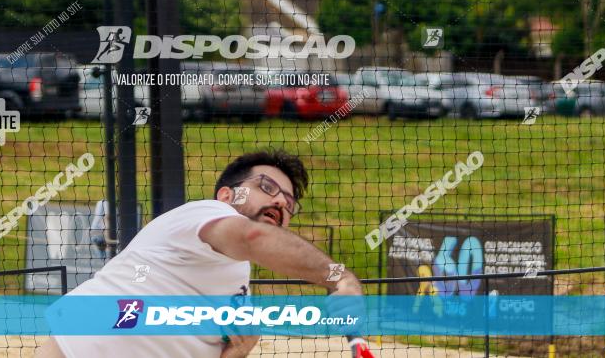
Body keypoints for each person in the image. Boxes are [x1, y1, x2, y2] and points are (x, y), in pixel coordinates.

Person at [36, 150, 364, 358]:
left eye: (289, 203)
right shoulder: (203, 214)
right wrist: (340, 277)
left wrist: (237, 352)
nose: (280, 201)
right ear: (226, 195)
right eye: (266, 186)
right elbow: (251, 236)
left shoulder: (239, 286)